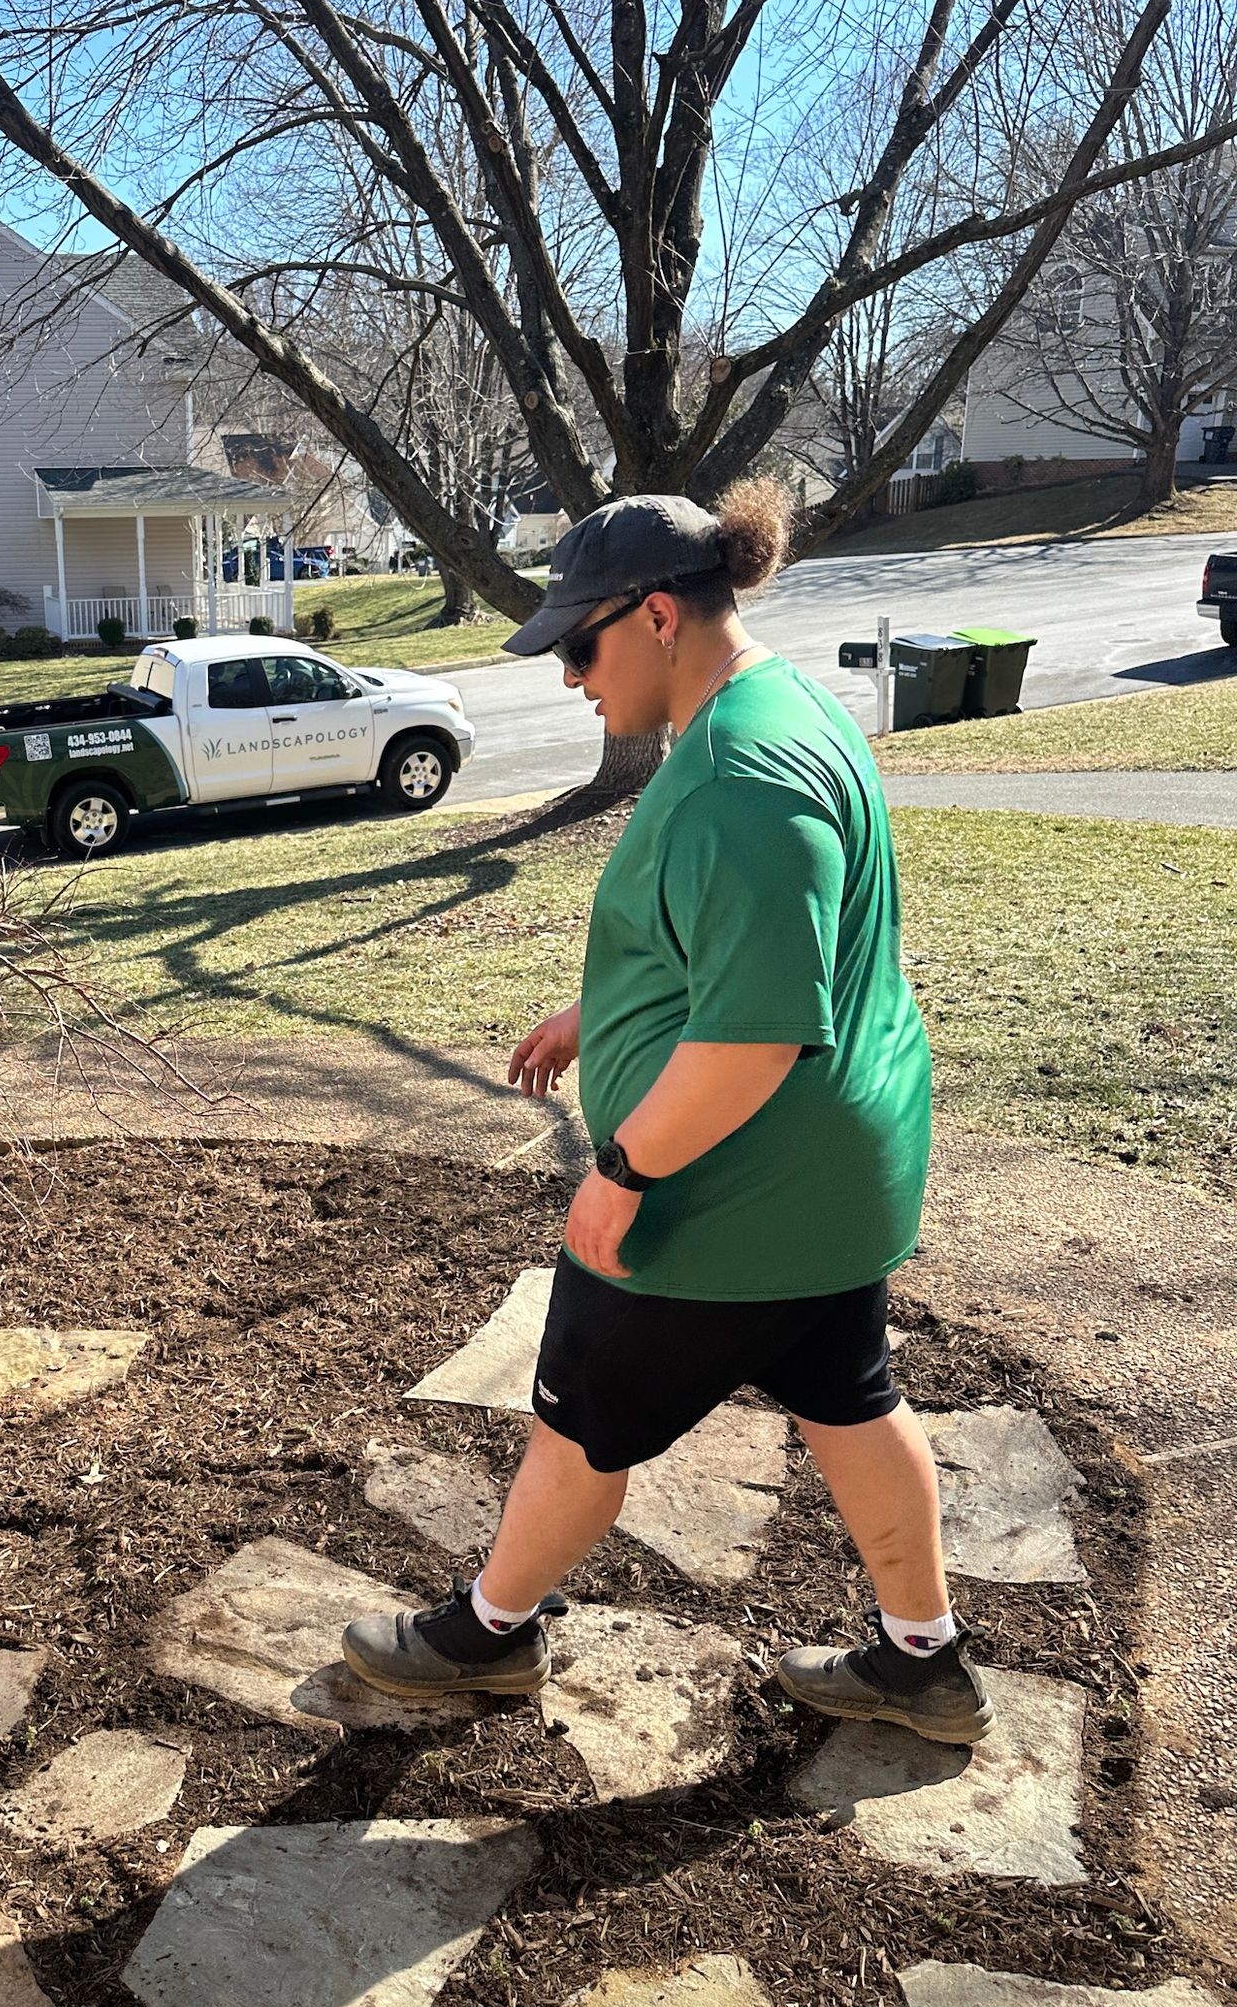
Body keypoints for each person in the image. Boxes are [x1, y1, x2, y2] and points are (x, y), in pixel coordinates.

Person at [342, 483, 992, 1746]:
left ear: (652, 617)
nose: (569, 677)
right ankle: (925, 1660)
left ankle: (485, 1638)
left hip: (723, 1197)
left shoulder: (738, 776)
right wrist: (607, 1011)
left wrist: (626, 1170)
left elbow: (752, 1035)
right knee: (851, 1399)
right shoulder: (778, 704)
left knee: (581, 1422)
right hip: (831, 1181)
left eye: (576, 647)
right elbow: (758, 948)